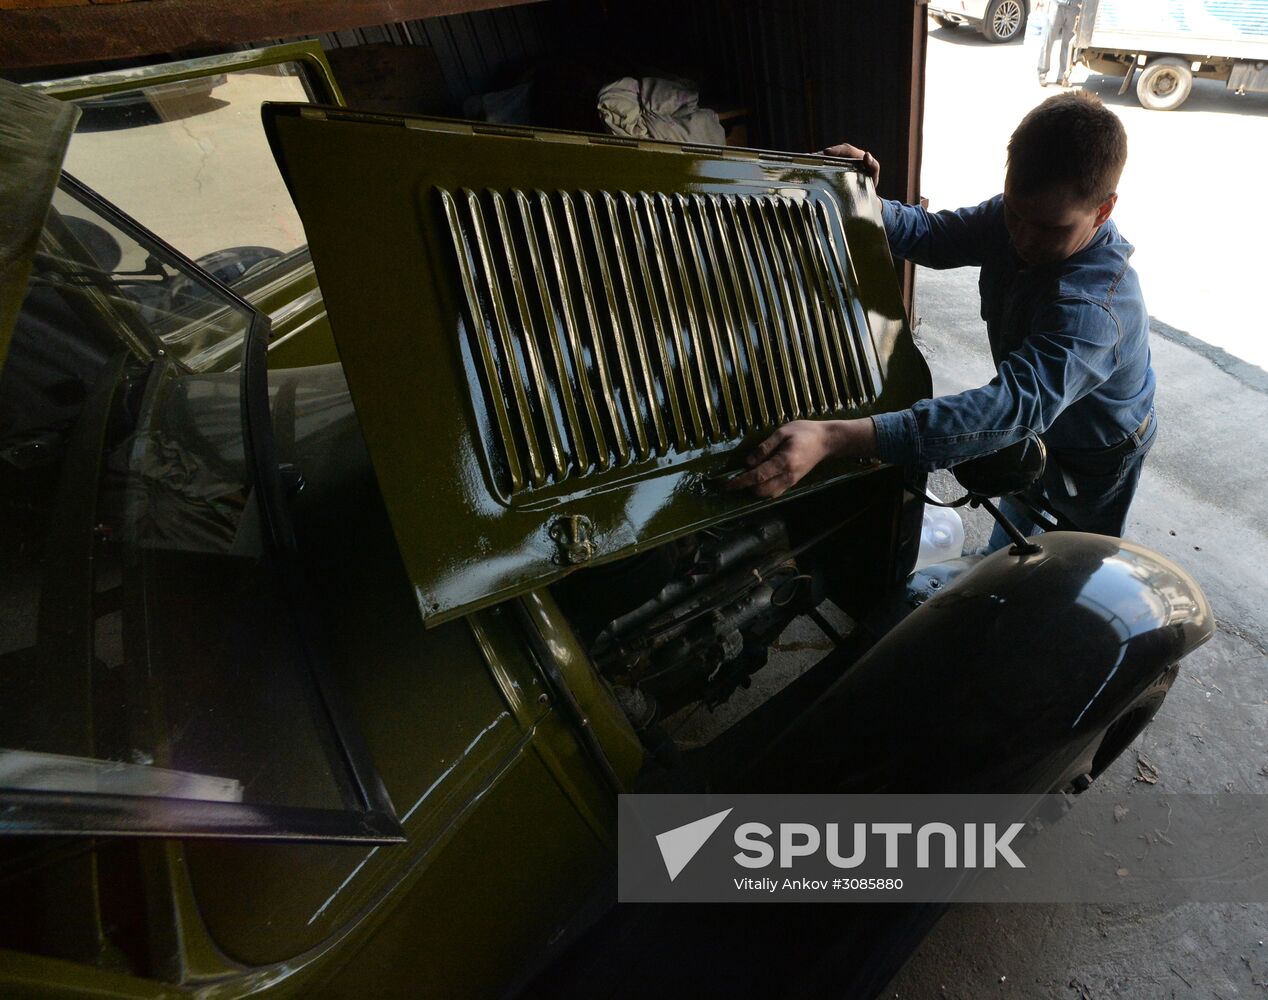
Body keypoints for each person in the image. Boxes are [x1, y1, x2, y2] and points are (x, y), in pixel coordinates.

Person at [727, 92, 1156, 551]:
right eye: (1014, 212)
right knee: (1015, 532)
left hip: (1097, 451)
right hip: (1037, 424)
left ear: (1104, 209)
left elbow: (1008, 409)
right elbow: (932, 236)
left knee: (1078, 561)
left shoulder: (1095, 311)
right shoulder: (1025, 216)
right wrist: (860, 202)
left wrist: (834, 438)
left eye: (1051, 228)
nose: (1023, 238)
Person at [1038, 0, 1083, 88]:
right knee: (1048, 41)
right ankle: (1042, 73)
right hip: (1057, 6)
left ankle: (1062, 76)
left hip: (1074, 8)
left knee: (1068, 45)